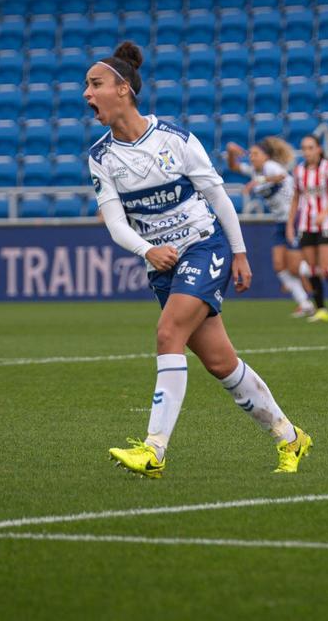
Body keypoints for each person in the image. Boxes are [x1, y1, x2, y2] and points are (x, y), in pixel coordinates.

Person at [85, 42, 311, 478]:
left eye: (95, 85)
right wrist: (147, 250)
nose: (87, 94)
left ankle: (153, 451)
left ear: (124, 89)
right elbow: (115, 223)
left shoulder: (176, 140)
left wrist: (239, 252)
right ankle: (290, 437)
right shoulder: (101, 158)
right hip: (161, 264)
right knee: (221, 363)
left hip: (203, 246)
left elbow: (218, 197)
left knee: (168, 332)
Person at [225, 137, 315, 317]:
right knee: (279, 265)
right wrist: (230, 152)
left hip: (294, 218)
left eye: (256, 154)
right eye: (251, 154)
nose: (252, 157)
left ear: (266, 156)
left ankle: (327, 270)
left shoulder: (270, 167)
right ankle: (305, 303)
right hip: (280, 221)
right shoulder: (255, 171)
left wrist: (257, 181)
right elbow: (234, 167)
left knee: (295, 267)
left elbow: (282, 176)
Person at [286, 134, 328, 323]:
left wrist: (325, 212)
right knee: (311, 269)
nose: (307, 152)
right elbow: (296, 198)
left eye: (310, 147)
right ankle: (321, 309)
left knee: (325, 267)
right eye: (304, 148)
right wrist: (291, 224)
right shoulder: (299, 171)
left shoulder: (327, 168)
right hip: (306, 224)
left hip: (327, 223)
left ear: (319, 149)